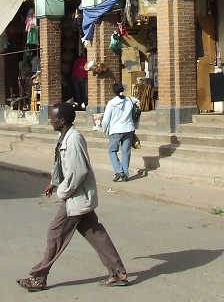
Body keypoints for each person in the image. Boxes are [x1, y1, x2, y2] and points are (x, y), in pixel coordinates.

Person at [16, 102, 127, 292]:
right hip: (78, 196)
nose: (50, 121)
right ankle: (118, 272)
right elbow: (62, 163)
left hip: (76, 196)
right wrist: (54, 181)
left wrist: (63, 191)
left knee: (55, 234)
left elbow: (78, 171)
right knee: (95, 234)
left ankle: (39, 278)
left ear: (62, 121)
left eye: (52, 119)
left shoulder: (73, 139)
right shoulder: (65, 136)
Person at [101, 82, 137, 182]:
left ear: (113, 92)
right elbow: (136, 101)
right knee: (126, 152)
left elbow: (105, 120)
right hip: (129, 129)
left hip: (115, 131)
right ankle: (125, 174)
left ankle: (118, 170)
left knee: (112, 151)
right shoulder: (129, 100)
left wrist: (104, 129)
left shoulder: (111, 103)